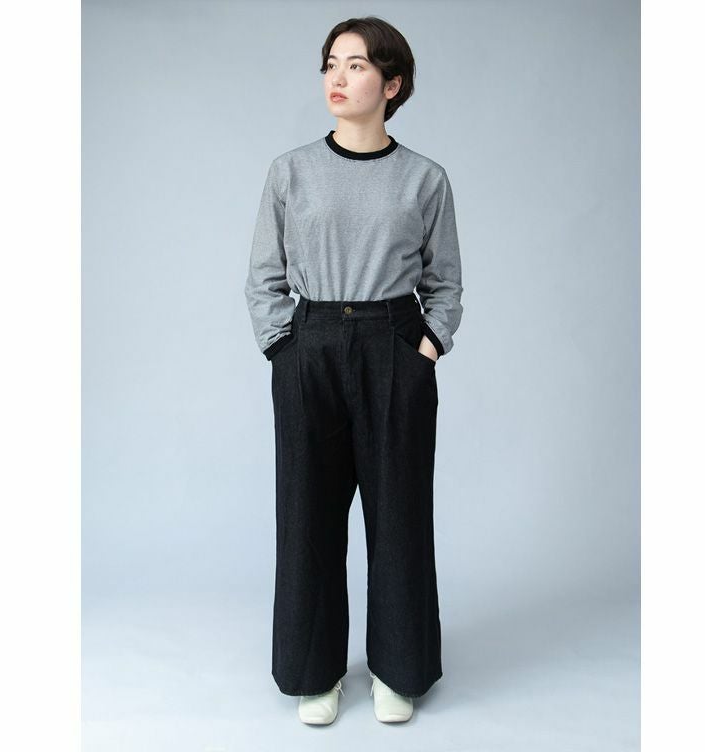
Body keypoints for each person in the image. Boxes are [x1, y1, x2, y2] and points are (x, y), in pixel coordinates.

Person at [244, 16, 463, 726]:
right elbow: (264, 275)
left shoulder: (424, 179)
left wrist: (427, 347)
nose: (337, 79)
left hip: (393, 345)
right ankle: (315, 671)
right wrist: (282, 346)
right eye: (330, 64)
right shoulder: (290, 172)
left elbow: (445, 283)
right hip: (309, 347)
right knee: (307, 514)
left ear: (392, 84)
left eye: (357, 65)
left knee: (400, 514)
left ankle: (400, 669)